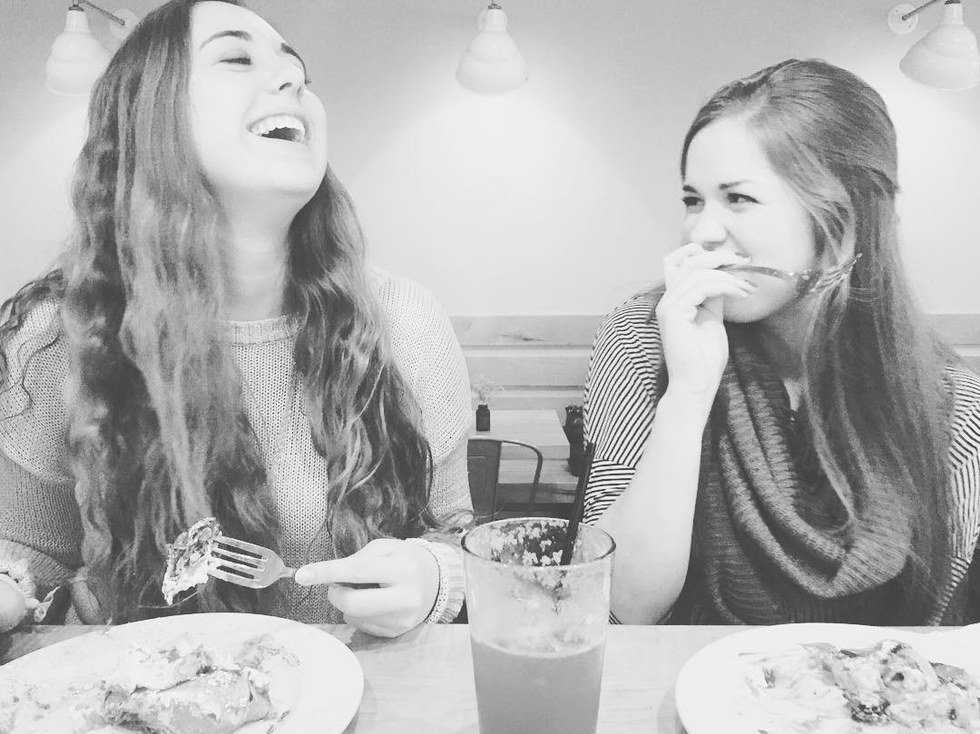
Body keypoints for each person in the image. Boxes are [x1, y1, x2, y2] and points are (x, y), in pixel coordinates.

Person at [0, 0, 472, 637]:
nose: (292, 79)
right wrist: (12, 588)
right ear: (148, 114)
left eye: (297, 68)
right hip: (139, 687)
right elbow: (29, 554)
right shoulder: (58, 334)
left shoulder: (406, 323)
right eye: (236, 57)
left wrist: (434, 577)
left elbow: (456, 538)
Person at [582, 58, 980, 626]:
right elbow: (623, 604)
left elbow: (940, 632)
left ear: (845, 222)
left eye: (738, 199)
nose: (700, 232)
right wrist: (688, 394)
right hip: (679, 678)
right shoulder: (645, 336)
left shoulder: (951, 406)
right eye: (693, 200)